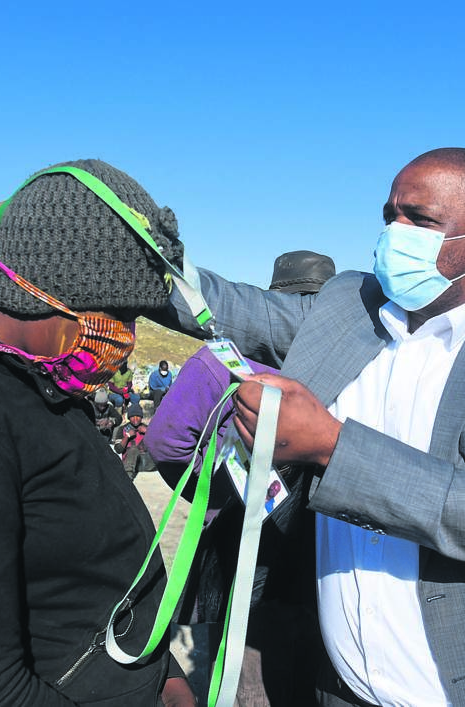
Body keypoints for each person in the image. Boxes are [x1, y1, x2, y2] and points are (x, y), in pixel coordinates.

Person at [155, 147, 465, 706]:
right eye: (390, 215)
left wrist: (331, 447)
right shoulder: (346, 308)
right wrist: (142, 253)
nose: (394, 232)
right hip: (345, 685)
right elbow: (230, 305)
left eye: (420, 221)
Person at [0, 159, 195, 706]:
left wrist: (161, 673)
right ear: (42, 291)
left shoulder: (43, 383)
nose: (125, 337)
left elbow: (83, 582)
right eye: (117, 313)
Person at [143, 249, 335, 706]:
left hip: (247, 545)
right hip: (332, 554)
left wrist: (215, 495)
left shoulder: (222, 360)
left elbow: (166, 444)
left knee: (248, 675)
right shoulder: (356, 363)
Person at [113, 403, 152, 479]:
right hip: (129, 464)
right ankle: (128, 478)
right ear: (129, 418)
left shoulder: (147, 428)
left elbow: (159, 444)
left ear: (141, 417)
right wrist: (127, 436)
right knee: (133, 449)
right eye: (132, 417)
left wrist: (149, 432)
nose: (135, 419)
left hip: (146, 462)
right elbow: (118, 449)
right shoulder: (122, 429)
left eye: (138, 416)